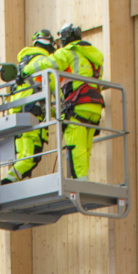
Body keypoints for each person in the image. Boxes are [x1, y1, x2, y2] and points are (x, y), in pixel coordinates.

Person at [21, 23, 104, 179]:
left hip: (77, 106)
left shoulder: (68, 53)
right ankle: (84, 180)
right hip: (95, 106)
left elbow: (46, 64)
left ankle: (81, 185)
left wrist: (24, 71)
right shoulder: (94, 58)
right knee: (85, 149)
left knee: (76, 149)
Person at [0, 29, 56, 184]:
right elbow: (52, 88)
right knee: (31, 157)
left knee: (24, 155)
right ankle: (8, 181)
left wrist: (53, 111)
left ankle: (12, 180)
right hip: (31, 113)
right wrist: (62, 107)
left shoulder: (23, 62)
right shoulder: (44, 62)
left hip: (18, 112)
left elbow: (33, 93)